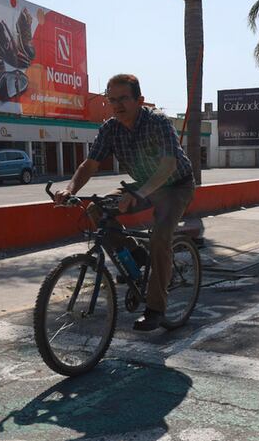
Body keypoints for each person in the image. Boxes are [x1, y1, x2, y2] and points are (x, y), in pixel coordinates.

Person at [53, 74, 195, 332]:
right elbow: (90, 164)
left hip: (175, 184)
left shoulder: (157, 122)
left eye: (123, 99)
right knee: (97, 209)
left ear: (139, 100)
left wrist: (140, 193)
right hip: (142, 183)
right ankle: (136, 255)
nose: (117, 105)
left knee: (161, 237)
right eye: (112, 99)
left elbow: (168, 165)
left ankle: (155, 308)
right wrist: (69, 188)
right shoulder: (110, 128)